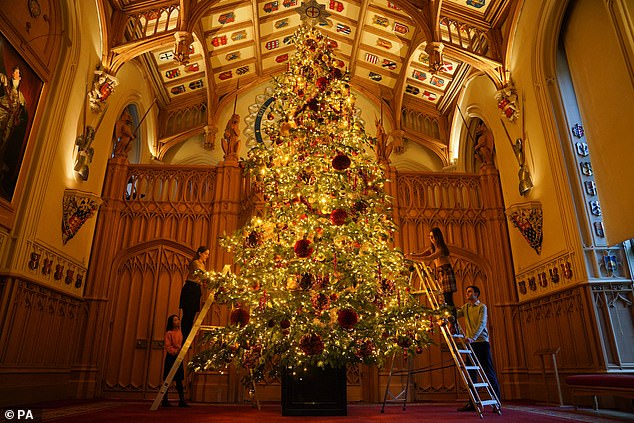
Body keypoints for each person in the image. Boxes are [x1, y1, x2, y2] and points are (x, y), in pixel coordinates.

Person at [456, 285, 501, 412]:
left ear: (476, 293)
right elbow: (455, 314)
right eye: (466, 291)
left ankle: (496, 402)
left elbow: (482, 323)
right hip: (471, 344)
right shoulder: (465, 308)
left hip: (481, 343)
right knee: (471, 374)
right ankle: (473, 403)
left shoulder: (482, 307)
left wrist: (473, 337)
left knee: (488, 372)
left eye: (470, 291)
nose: (467, 293)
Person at [408, 227, 457, 325]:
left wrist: (412, 257)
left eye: (433, 237)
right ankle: (446, 319)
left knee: (448, 299)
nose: (431, 239)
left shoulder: (441, 249)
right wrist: (412, 255)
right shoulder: (432, 248)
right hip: (440, 273)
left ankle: (453, 322)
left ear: (438, 237)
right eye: (430, 237)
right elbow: (422, 254)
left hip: (446, 272)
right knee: (442, 298)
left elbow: (428, 258)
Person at [179, 246, 210, 340]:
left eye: (208, 254)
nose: (207, 256)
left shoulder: (203, 264)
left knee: (192, 314)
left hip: (196, 289)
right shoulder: (196, 263)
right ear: (200, 253)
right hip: (190, 288)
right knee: (187, 314)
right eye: (205, 254)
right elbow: (201, 274)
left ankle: (187, 335)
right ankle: (184, 336)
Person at [162, 314, 188, 407]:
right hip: (171, 357)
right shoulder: (169, 333)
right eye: (175, 320)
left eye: (178, 319)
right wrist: (176, 351)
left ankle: (182, 400)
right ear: (171, 322)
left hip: (179, 357)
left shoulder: (181, 332)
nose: (177, 321)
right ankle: (164, 400)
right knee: (168, 379)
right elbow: (168, 346)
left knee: (179, 380)